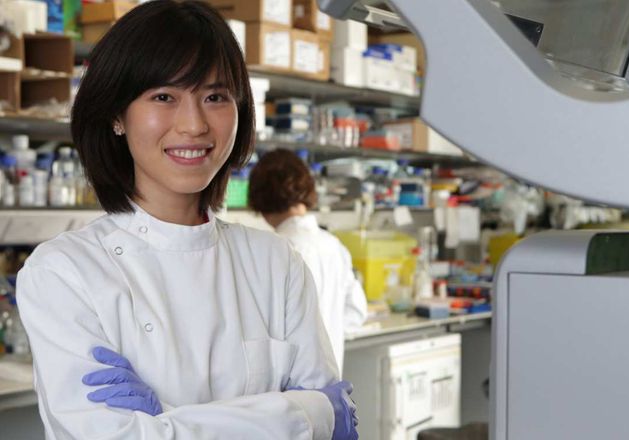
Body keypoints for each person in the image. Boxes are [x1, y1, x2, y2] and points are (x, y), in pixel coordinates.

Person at [16, 2, 358, 439]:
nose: (194, 124)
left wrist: (165, 418)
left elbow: (331, 428)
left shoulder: (277, 263)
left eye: (215, 97)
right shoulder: (64, 273)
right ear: (117, 116)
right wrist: (296, 416)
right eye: (164, 97)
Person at [248, 149, 368, 373]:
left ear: (260, 199)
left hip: (289, 389)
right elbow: (356, 312)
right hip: (331, 384)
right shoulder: (333, 245)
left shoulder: (273, 250)